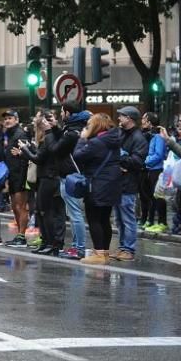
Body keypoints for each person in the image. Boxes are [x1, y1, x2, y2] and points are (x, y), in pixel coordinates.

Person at [72, 113, 123, 265]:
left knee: (94, 219)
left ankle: (99, 253)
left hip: (97, 185)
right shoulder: (113, 140)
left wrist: (82, 139)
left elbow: (77, 156)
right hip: (112, 185)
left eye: (89, 125)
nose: (87, 127)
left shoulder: (96, 142)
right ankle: (105, 252)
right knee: (104, 219)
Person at [18, 110, 65, 255]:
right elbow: (41, 155)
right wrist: (30, 148)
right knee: (40, 211)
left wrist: (25, 149)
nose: (35, 126)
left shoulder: (49, 138)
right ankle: (47, 241)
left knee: (46, 212)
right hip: (46, 177)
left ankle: (51, 243)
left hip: (49, 178)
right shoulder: (48, 138)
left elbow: (39, 158)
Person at [111, 106, 148, 261]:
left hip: (129, 184)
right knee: (119, 219)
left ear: (130, 119)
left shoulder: (139, 138)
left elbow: (138, 161)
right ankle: (122, 248)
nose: (119, 118)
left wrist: (121, 159)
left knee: (128, 218)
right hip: (117, 182)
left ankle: (129, 249)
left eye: (122, 116)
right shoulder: (120, 133)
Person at [55, 104, 91, 259]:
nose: (61, 114)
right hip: (71, 175)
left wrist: (52, 131)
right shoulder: (74, 129)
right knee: (74, 213)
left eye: (62, 111)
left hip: (71, 176)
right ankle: (76, 247)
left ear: (67, 113)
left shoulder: (71, 132)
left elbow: (55, 149)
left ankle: (79, 248)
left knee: (75, 214)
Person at [1, 110, 30, 247]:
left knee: (21, 206)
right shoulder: (8, 135)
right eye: (6, 118)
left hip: (20, 175)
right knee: (15, 207)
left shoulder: (20, 134)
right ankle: (19, 234)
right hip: (12, 175)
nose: (7, 120)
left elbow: (27, 155)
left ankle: (22, 236)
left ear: (16, 120)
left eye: (10, 118)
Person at [140, 112, 168, 232]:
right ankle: (151, 222)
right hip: (151, 170)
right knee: (151, 197)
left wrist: (146, 161)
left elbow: (159, 155)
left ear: (150, 122)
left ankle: (162, 222)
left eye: (144, 119)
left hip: (156, 170)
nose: (142, 121)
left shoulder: (158, 137)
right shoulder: (152, 136)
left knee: (158, 196)